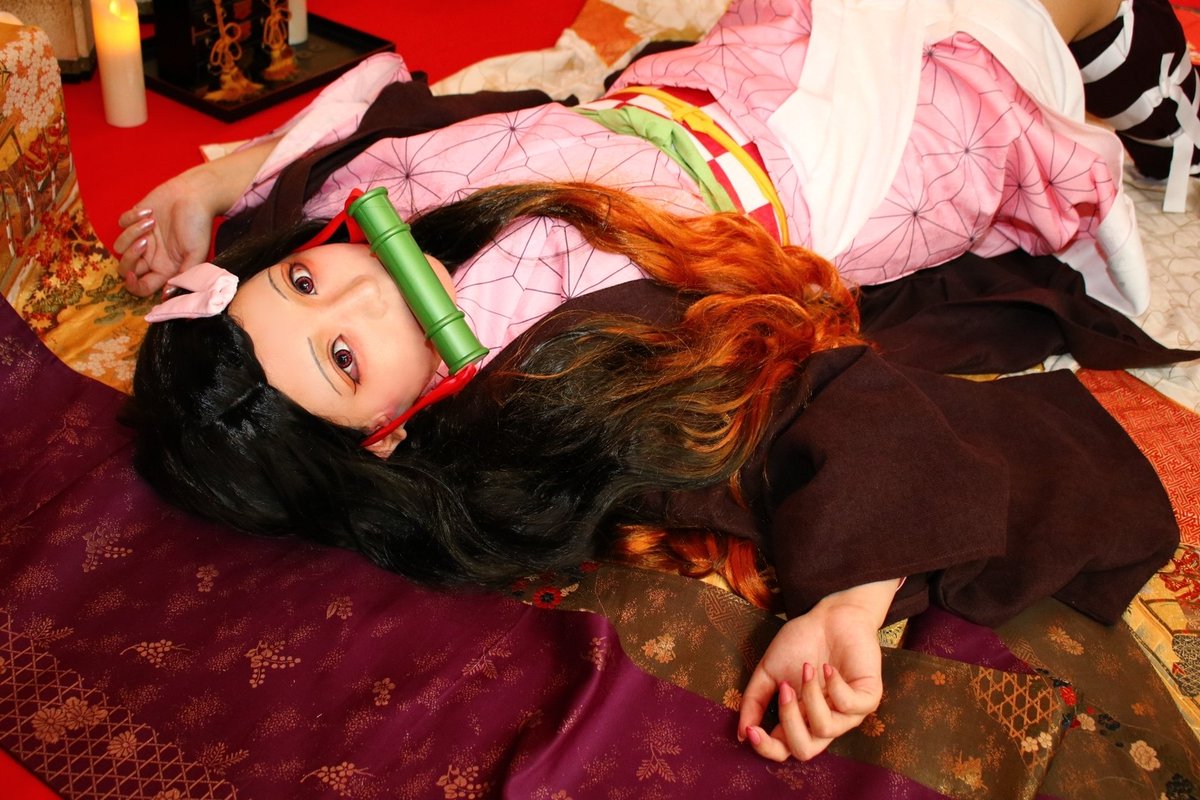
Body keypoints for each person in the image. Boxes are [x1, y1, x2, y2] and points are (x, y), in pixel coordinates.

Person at [116, 0, 1191, 764]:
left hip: (712, 82)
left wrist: (218, 181)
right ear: (386, 433)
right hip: (864, 162)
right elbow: (829, 413)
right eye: (345, 358)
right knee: (1004, 17)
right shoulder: (565, 381)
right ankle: (1144, 71)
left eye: (305, 279)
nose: (360, 290)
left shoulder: (357, 206)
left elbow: (354, 148)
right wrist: (853, 596)